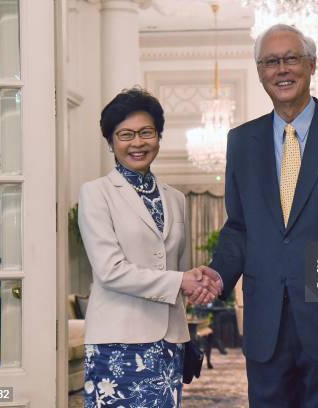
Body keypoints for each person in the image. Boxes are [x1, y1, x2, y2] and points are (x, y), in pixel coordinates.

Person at [201, 24, 318, 407]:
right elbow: (239, 226)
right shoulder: (241, 142)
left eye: (291, 59)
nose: (282, 70)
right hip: (265, 325)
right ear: (259, 72)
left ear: (312, 64)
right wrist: (217, 276)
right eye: (271, 62)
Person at [78, 87, 220, 408]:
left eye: (146, 132)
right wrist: (181, 281)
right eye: (125, 134)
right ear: (111, 142)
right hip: (118, 343)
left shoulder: (176, 198)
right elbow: (109, 271)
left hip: (170, 340)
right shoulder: (96, 194)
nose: (137, 143)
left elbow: (177, 272)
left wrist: (198, 282)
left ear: (159, 136)